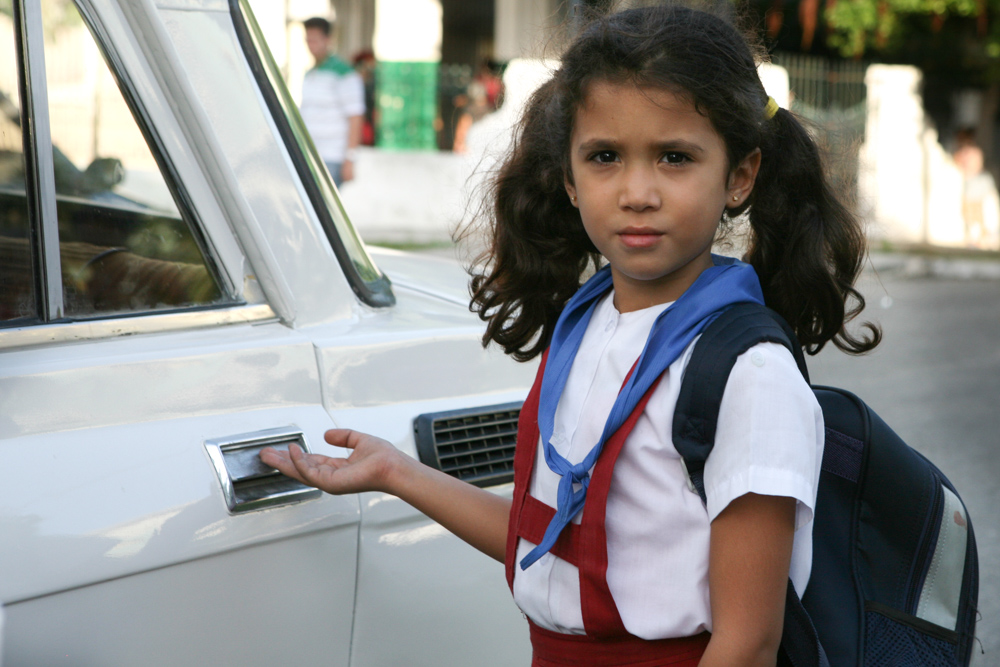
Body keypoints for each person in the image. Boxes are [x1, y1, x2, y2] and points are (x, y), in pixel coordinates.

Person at [262, 4, 880, 666]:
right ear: (569, 175)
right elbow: (549, 543)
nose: (636, 191)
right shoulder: (587, 323)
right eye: (605, 156)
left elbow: (748, 641)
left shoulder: (746, 371)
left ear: (739, 176)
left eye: (674, 157)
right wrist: (395, 471)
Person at [300, 17, 365, 187]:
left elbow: (355, 116)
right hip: (309, 154)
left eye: (315, 40)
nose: (310, 45)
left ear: (327, 40)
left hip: (332, 157)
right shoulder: (310, 74)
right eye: (308, 40)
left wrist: (350, 159)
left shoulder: (344, 74)